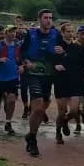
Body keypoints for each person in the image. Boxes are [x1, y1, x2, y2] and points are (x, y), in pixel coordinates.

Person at [18, 8, 64, 156]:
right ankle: (33, 140)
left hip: (48, 75)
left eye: (51, 18)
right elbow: (20, 53)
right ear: (40, 20)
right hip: (32, 74)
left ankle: (31, 135)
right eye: (46, 18)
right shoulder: (30, 35)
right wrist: (26, 62)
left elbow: (66, 50)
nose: (49, 20)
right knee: (37, 107)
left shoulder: (57, 35)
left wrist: (62, 53)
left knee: (42, 106)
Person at [52, 20, 84, 143]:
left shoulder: (77, 47)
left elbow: (82, 63)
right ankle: (58, 133)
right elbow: (51, 60)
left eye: (72, 31)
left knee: (73, 110)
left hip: (74, 81)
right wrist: (55, 66)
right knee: (61, 111)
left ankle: (65, 121)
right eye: (68, 31)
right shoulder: (56, 46)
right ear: (62, 33)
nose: (71, 34)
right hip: (61, 81)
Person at [0, 26, 21, 134]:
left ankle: (8, 122)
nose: (13, 34)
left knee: (11, 100)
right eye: (11, 32)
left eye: (15, 32)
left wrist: (22, 66)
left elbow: (22, 58)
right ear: (6, 33)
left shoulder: (17, 45)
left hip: (13, 77)